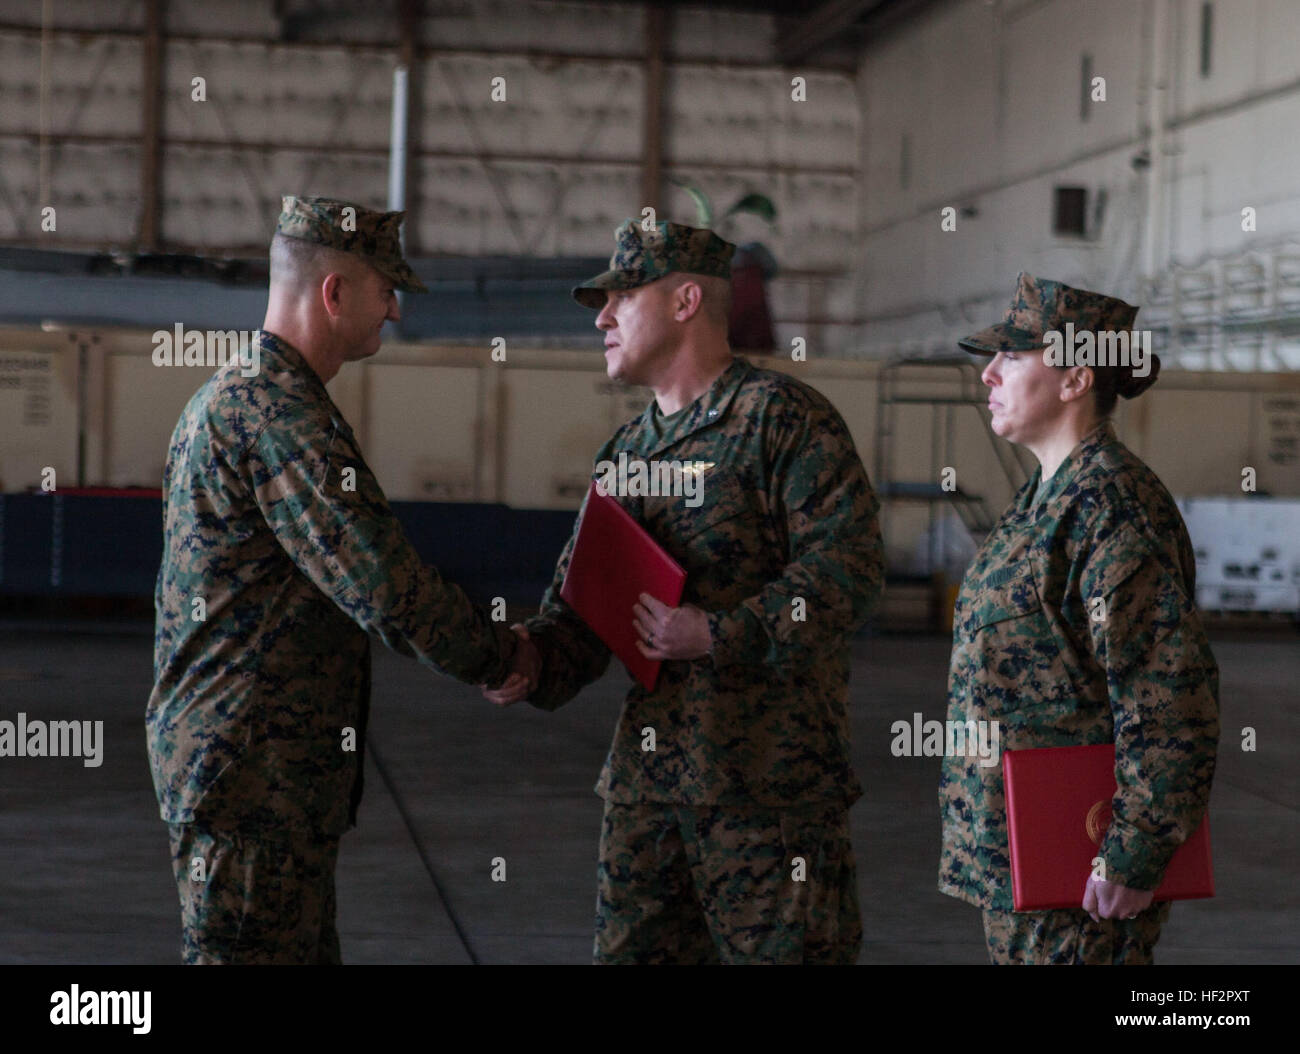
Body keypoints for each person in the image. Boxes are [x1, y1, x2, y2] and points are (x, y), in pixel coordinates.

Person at [146, 195, 534, 964]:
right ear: (334, 294)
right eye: (385, 290)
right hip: (254, 779)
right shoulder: (281, 418)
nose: (392, 309)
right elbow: (384, 587)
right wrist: (504, 655)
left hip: (245, 768)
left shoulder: (227, 397)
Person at [484, 218, 883, 964]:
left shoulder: (781, 421)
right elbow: (580, 615)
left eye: (620, 297)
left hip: (770, 792)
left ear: (685, 301)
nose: (601, 317)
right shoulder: (626, 453)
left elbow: (847, 571)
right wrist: (528, 661)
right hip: (648, 792)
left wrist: (720, 633)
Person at [938, 272, 1220, 965]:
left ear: (1074, 379)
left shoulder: (1111, 506)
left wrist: (1135, 848)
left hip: (1083, 869)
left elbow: (1169, 696)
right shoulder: (1044, 499)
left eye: (1013, 356)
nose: (989, 375)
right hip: (1019, 859)